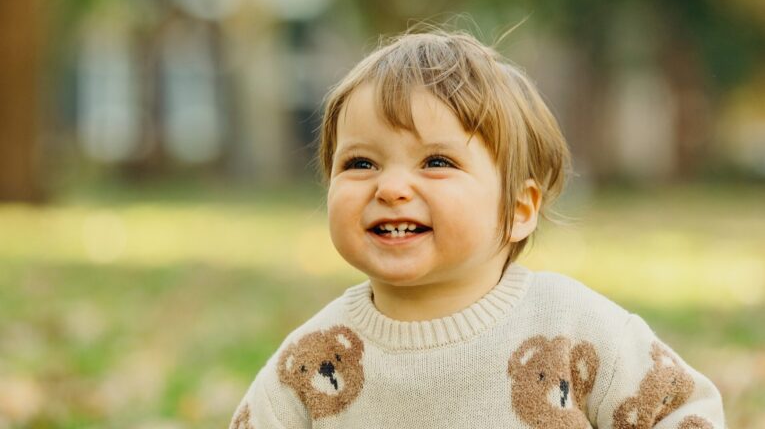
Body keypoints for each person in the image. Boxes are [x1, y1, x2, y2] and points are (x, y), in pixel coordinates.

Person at [229, 30, 724, 429]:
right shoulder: (315, 354)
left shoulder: (572, 328)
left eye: (436, 161)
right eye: (360, 163)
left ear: (518, 209)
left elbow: (682, 411)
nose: (392, 187)